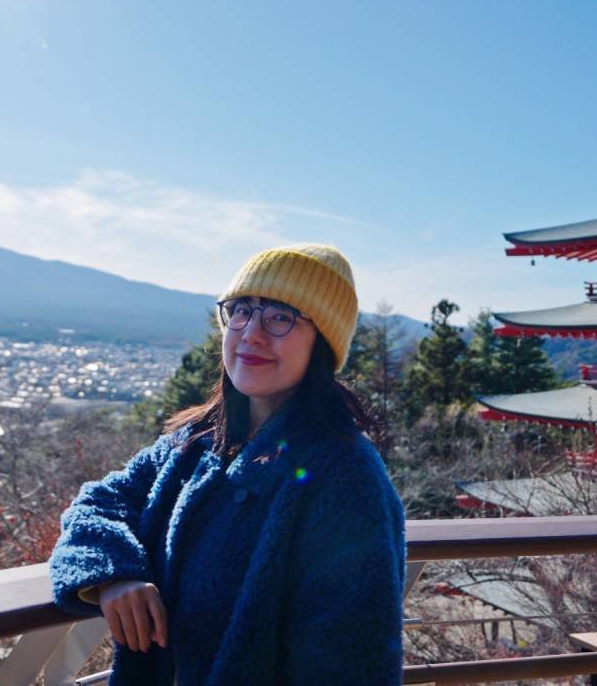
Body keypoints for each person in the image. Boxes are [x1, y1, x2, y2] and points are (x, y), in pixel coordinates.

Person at [49, 243, 406, 686]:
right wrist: (112, 575)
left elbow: (351, 664)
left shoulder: (346, 477)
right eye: (241, 310)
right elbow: (98, 502)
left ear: (323, 343)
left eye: (280, 316)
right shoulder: (196, 442)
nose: (251, 333)